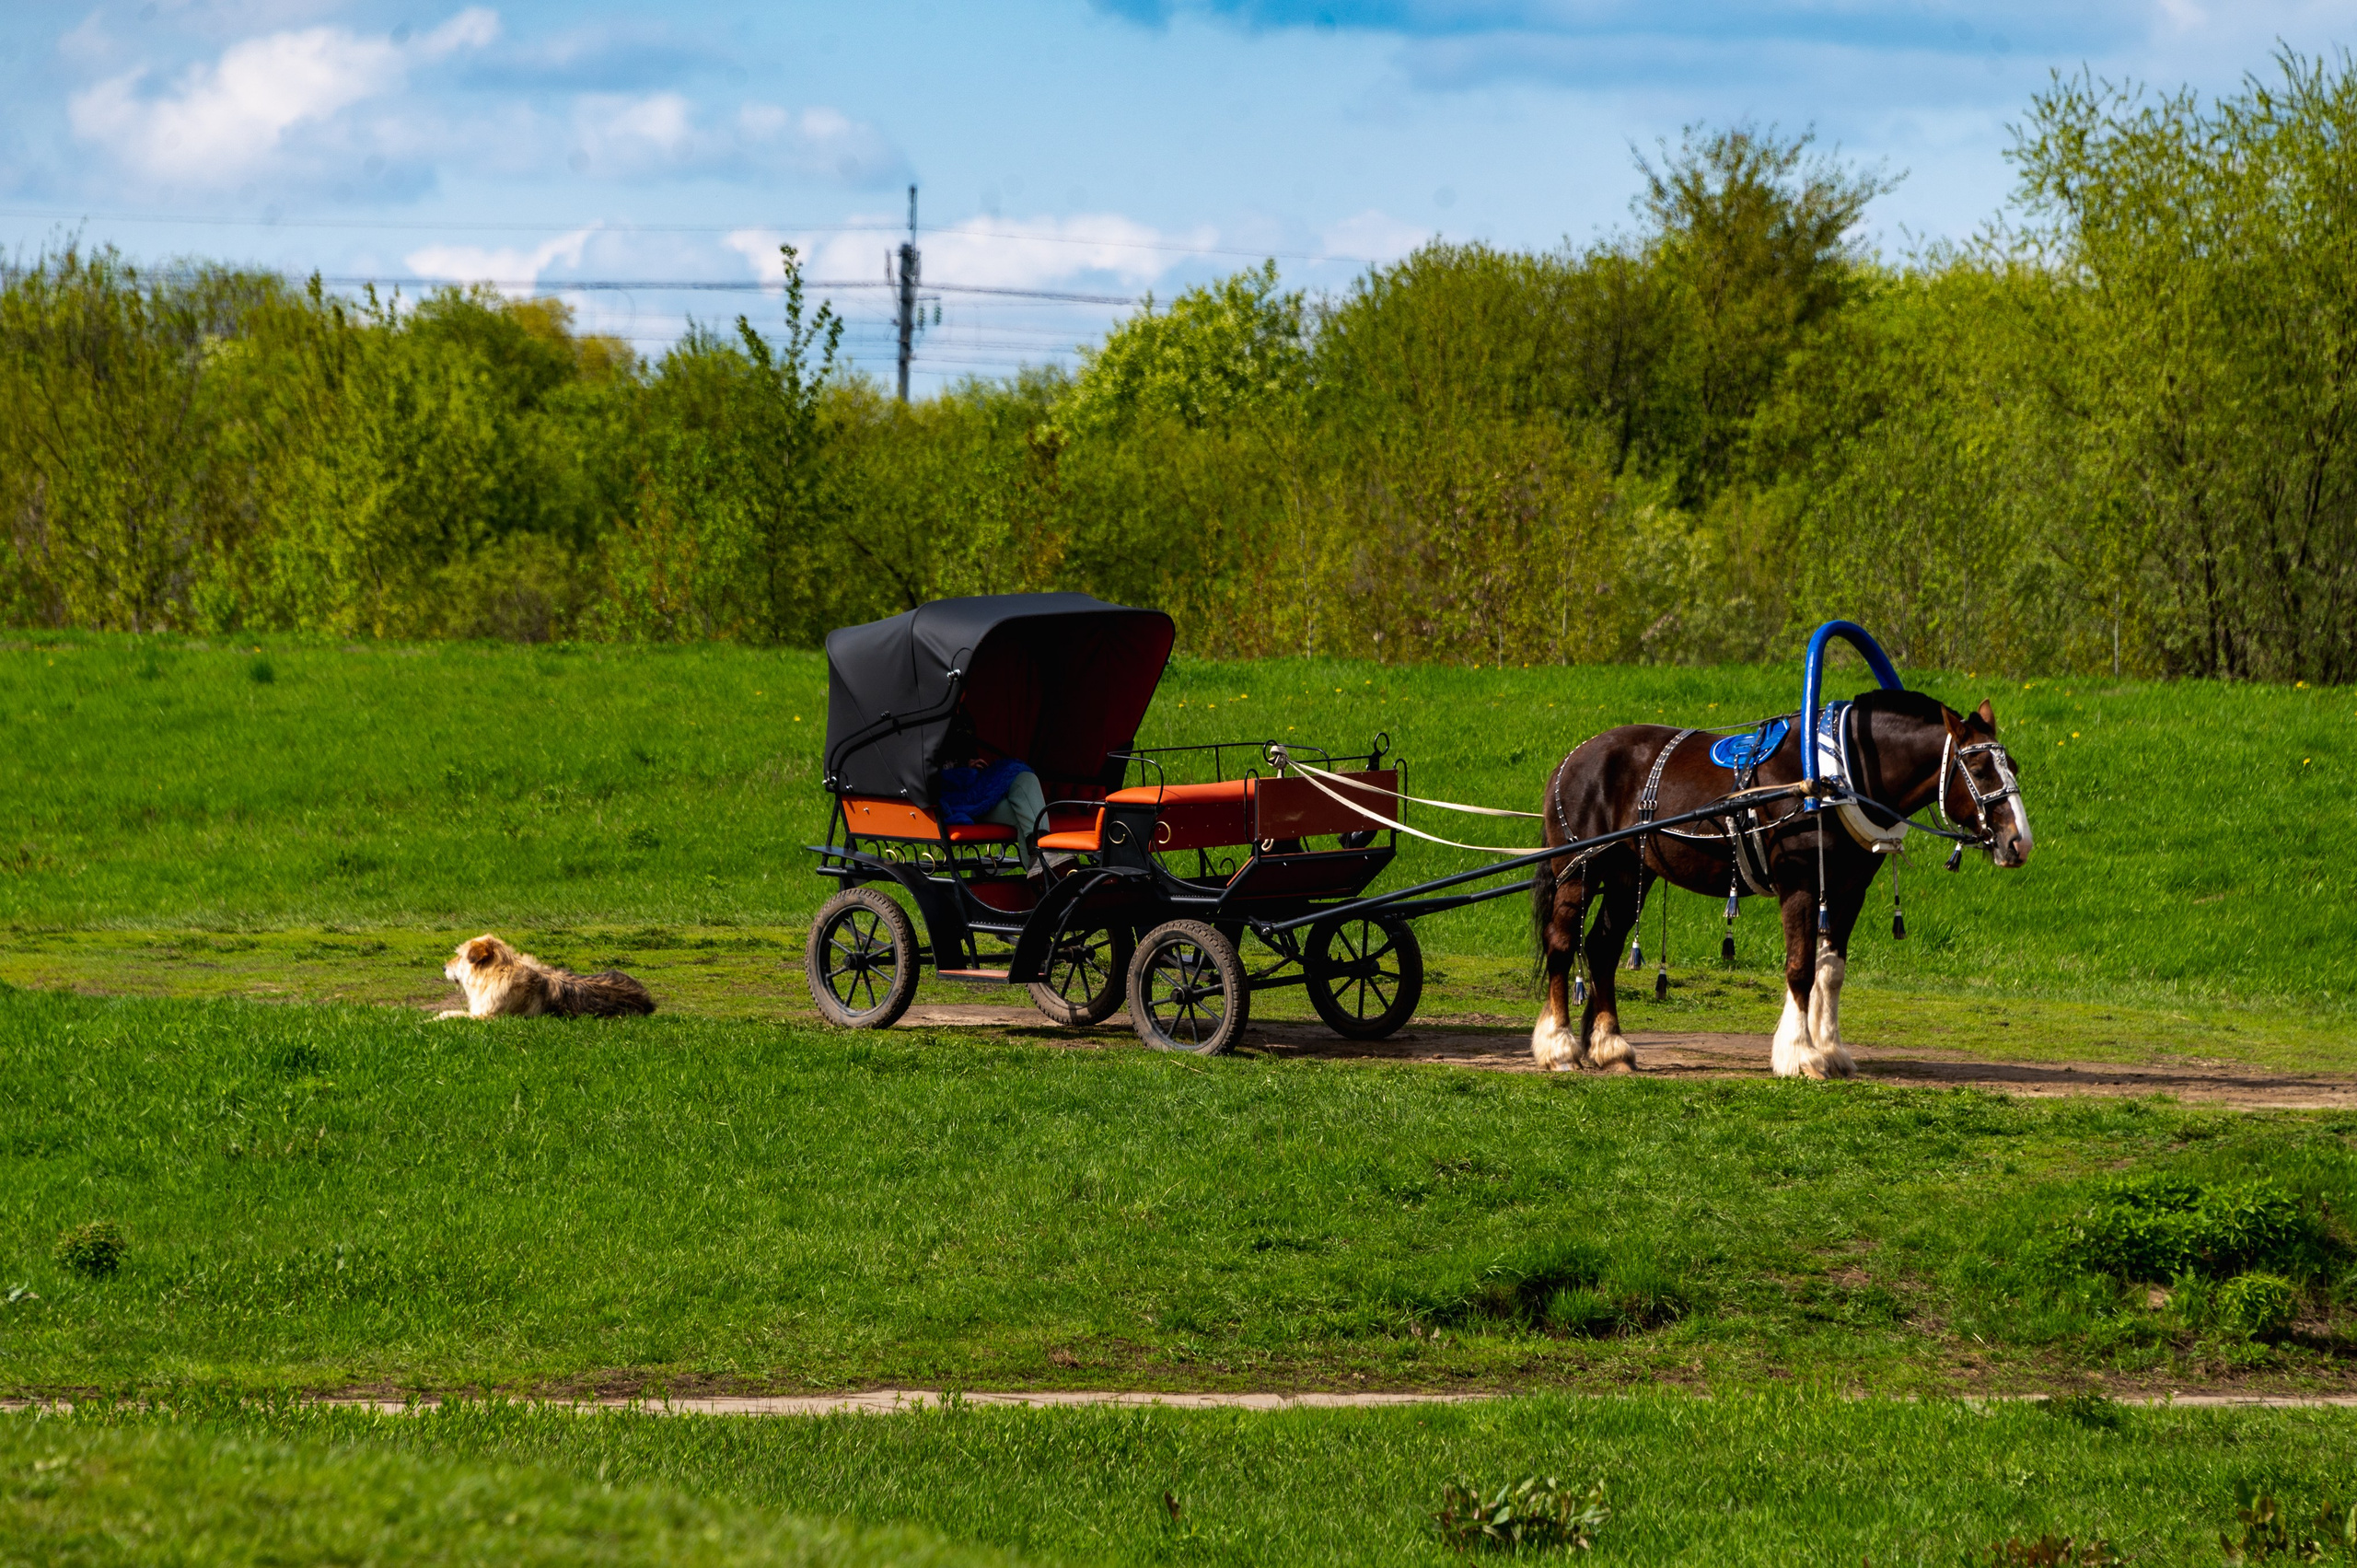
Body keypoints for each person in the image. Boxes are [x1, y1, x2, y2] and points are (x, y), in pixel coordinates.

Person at [935, 707, 1052, 875]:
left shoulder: (964, 717)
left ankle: (1040, 870)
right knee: (1027, 812)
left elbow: (968, 751)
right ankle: (1045, 865)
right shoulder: (930, 716)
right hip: (951, 798)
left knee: (1025, 785)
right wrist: (962, 769)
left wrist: (971, 764)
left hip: (976, 792)